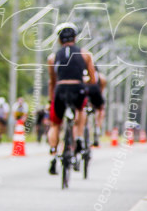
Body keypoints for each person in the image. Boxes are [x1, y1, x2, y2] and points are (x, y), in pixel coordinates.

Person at [46, 23, 97, 175]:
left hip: (60, 89)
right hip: (77, 88)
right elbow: (93, 80)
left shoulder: (52, 57)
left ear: (59, 40)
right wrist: (84, 81)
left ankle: (54, 154)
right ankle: (79, 137)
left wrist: (51, 101)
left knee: (55, 124)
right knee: (80, 111)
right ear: (75, 38)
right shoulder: (85, 54)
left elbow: (52, 82)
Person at [84, 65, 107, 146]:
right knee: (100, 109)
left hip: (84, 96)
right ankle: (98, 127)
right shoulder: (101, 77)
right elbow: (100, 91)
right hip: (95, 94)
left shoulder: (82, 74)